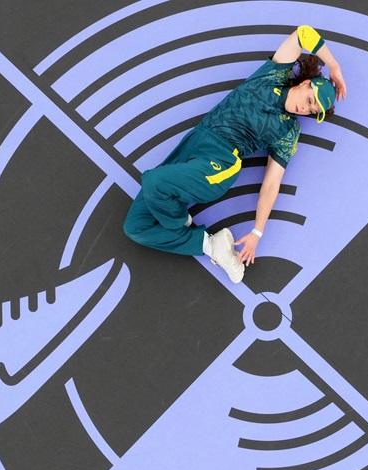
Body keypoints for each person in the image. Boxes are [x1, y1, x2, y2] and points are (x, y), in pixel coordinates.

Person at [122, 24, 348, 283]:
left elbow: (272, 183)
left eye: (311, 111)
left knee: (153, 181)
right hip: (196, 142)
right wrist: (334, 66)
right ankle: (210, 245)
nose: (305, 109)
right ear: (305, 84)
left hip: (222, 161)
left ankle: (178, 221)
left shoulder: (288, 131)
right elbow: (303, 33)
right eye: (309, 100)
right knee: (135, 227)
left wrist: (257, 233)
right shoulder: (272, 76)